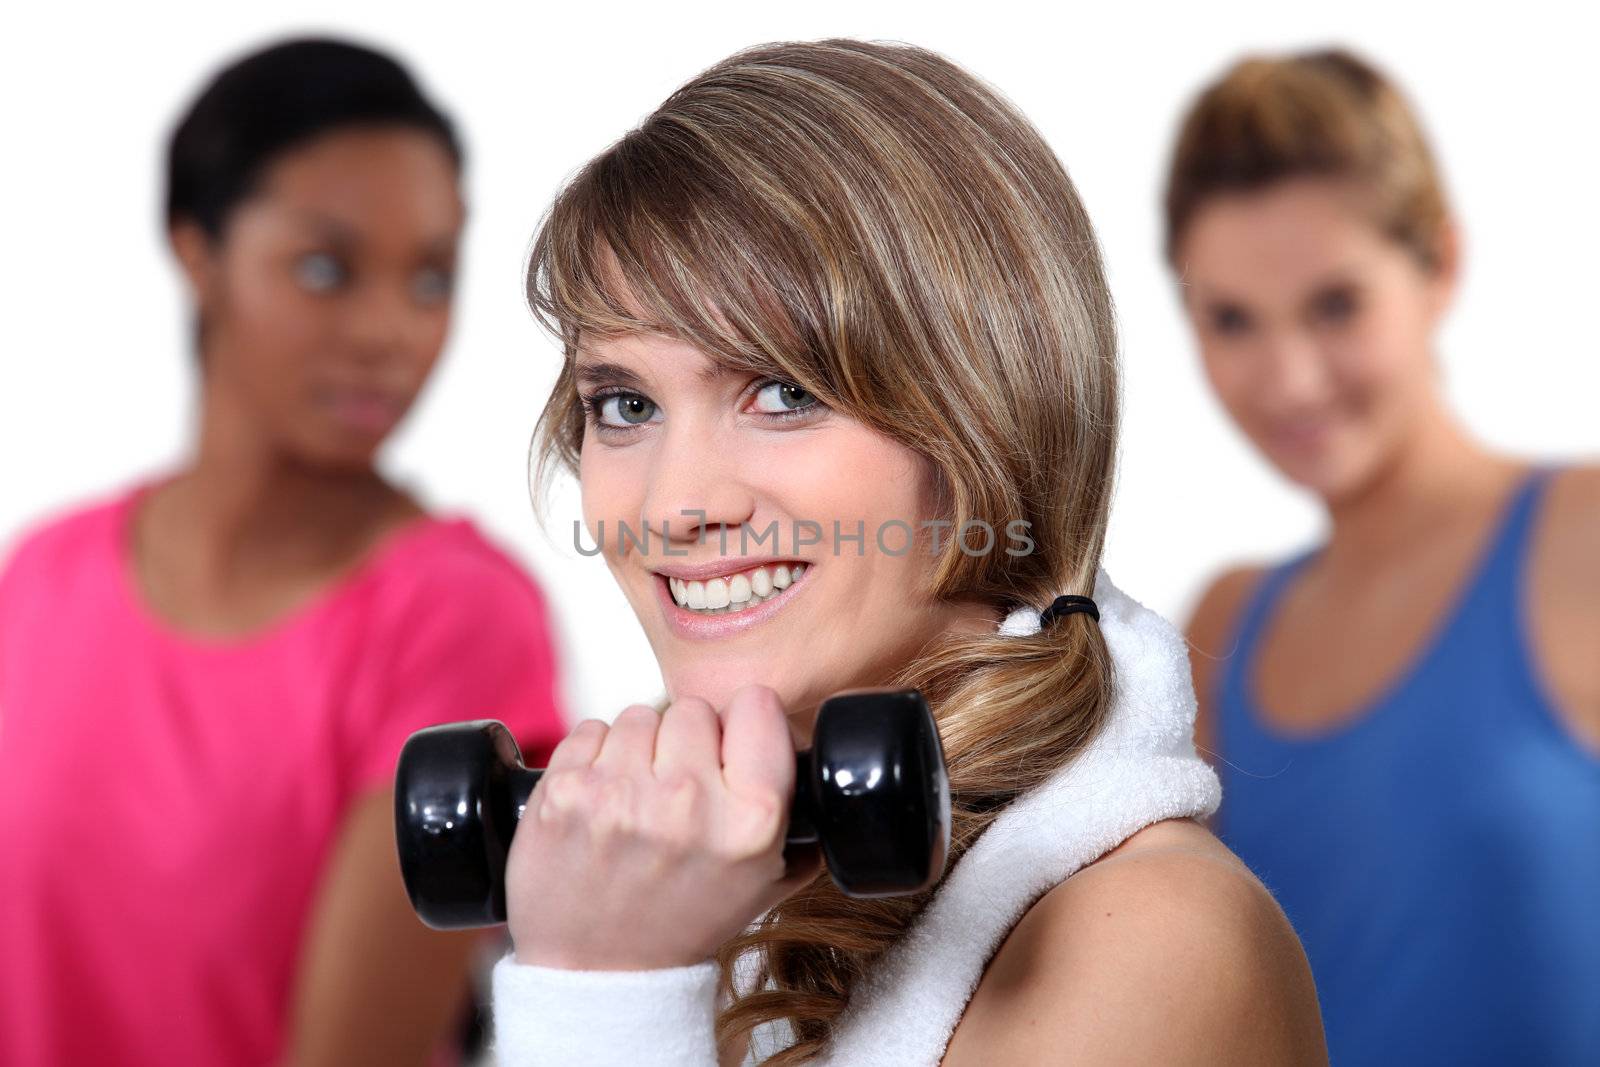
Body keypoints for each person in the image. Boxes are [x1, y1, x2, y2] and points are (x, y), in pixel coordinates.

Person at [483, 39, 1327, 1065]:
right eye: (624, 404)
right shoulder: (690, 878)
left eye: (784, 392)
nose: (674, 505)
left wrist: (604, 998)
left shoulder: (1157, 936)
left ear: (987, 418)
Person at [0, 37, 567, 1067]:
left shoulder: (449, 617)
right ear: (196, 248)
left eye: (429, 277)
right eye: (324, 267)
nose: (389, 331)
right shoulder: (44, 578)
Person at [1168, 49, 1600, 1066]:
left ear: (1438, 266)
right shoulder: (1221, 627)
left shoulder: (1578, 538)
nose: (1288, 377)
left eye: (1334, 305)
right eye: (1230, 318)